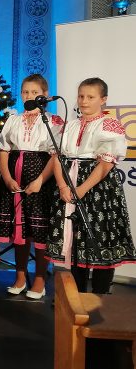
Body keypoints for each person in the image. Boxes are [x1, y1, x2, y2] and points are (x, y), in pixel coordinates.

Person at [47, 77, 135, 294]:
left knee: (99, 236)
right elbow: (57, 157)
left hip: (97, 187)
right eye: (81, 96)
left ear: (103, 99)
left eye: (90, 97)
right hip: (69, 181)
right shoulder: (69, 125)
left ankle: (100, 296)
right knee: (76, 240)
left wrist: (83, 189)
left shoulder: (109, 125)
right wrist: (63, 186)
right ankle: (77, 297)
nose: (84, 101)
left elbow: (106, 164)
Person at [0, 74, 61, 299]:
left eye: (34, 92)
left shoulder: (53, 121)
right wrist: (7, 178)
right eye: (25, 92)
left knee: (39, 231)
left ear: (45, 95)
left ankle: (40, 278)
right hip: (15, 181)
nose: (29, 96)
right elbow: (4, 150)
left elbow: (55, 155)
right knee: (19, 231)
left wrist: (40, 180)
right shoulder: (13, 120)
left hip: (41, 181)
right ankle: (20, 276)